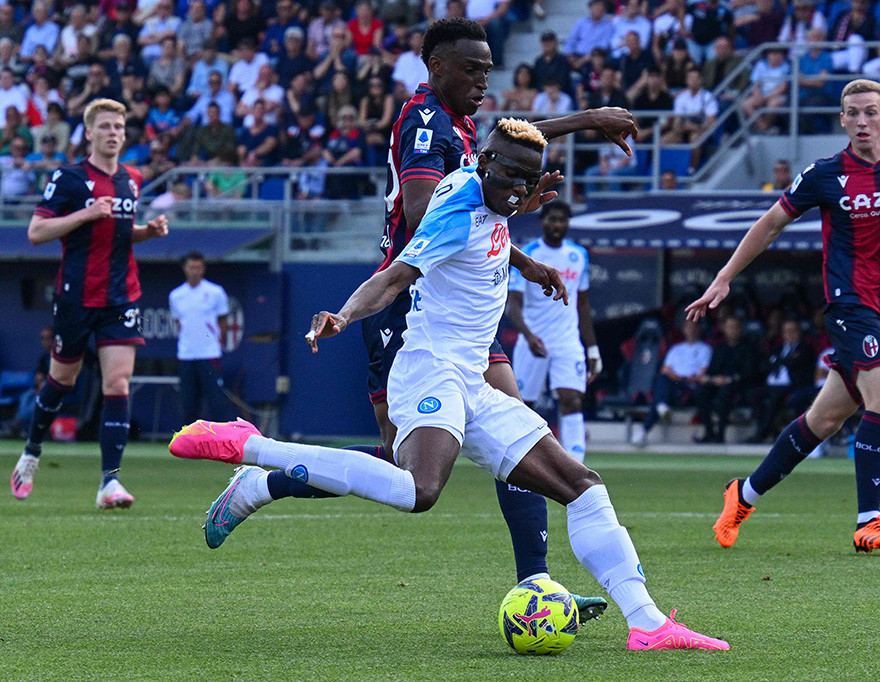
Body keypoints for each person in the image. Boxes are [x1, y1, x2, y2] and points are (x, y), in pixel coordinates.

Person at [169, 118, 729, 652]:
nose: (518, 192)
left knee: (582, 484)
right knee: (418, 490)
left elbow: (505, 189)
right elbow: (393, 278)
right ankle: (249, 445)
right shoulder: (453, 212)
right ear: (484, 165)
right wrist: (343, 315)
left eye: (528, 184)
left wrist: (527, 257)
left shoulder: (487, 182)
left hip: (474, 378)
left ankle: (647, 622)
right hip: (429, 367)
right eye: (510, 179)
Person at [687, 79, 880, 553]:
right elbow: (771, 223)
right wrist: (724, 277)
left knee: (823, 420)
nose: (862, 121)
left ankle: (742, 495)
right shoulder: (825, 173)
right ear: (842, 120)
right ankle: (869, 521)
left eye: (870, 112)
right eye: (853, 114)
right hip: (849, 304)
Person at [10, 98, 170, 508]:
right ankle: (31, 451)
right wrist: (83, 215)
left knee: (117, 382)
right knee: (61, 382)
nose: (114, 132)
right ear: (89, 133)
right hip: (77, 296)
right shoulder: (68, 178)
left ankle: (109, 483)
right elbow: (36, 232)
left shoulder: (132, 179)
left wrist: (145, 233)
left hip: (120, 296)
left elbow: (117, 232)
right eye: (105, 126)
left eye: (119, 126)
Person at [507, 200, 600, 463]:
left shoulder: (579, 254)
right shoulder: (529, 253)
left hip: (568, 341)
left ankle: (575, 464)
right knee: (526, 406)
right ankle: (521, 460)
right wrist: (527, 335)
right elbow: (513, 305)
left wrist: (592, 348)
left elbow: (582, 305)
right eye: (552, 219)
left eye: (562, 220)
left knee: (572, 401)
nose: (557, 225)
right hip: (534, 340)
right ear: (543, 221)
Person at [169, 252, 231, 425]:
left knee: (216, 400)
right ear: (185, 269)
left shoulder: (215, 292)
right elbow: (178, 322)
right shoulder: (176, 295)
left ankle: (220, 442)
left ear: (203, 269)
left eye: (198, 267)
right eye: (191, 267)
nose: (194, 271)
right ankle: (191, 444)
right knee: (188, 403)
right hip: (187, 355)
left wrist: (218, 343)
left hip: (209, 354)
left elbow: (223, 320)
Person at [632, 318, 711, 445]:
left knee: (659, 399)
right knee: (662, 379)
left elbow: (702, 373)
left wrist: (681, 377)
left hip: (690, 385)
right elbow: (665, 369)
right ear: (684, 330)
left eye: (693, 327)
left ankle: (646, 427)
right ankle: (661, 406)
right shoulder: (676, 349)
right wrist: (674, 376)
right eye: (688, 327)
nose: (691, 330)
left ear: (699, 330)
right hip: (673, 383)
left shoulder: (705, 349)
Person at [692, 316, 758, 443]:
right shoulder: (720, 347)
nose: (732, 330)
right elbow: (712, 369)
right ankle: (709, 432)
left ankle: (720, 434)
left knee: (725, 393)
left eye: (735, 327)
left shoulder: (748, 348)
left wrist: (729, 379)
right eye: (729, 327)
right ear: (724, 329)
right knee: (701, 392)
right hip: (718, 382)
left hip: (737, 384)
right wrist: (712, 379)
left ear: (740, 329)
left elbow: (749, 372)